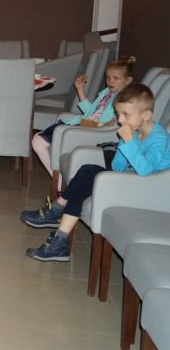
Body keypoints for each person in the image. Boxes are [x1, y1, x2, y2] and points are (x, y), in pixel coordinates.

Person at [22, 83, 170, 261]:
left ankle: (57, 211)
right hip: (130, 181)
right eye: (119, 114)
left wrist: (129, 142)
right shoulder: (133, 132)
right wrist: (126, 142)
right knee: (87, 173)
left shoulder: (159, 137)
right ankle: (60, 239)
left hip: (147, 190)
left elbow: (145, 170)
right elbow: (117, 167)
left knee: (88, 174)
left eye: (126, 115)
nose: (120, 120)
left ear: (146, 115)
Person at [31, 57, 135, 182]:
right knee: (38, 140)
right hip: (81, 124)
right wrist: (80, 90)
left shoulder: (124, 99)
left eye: (116, 78)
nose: (110, 81)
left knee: (37, 141)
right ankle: (58, 182)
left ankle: (58, 182)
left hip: (87, 130)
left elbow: (116, 122)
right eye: (108, 78)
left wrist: (111, 123)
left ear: (128, 80)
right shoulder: (107, 92)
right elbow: (90, 112)